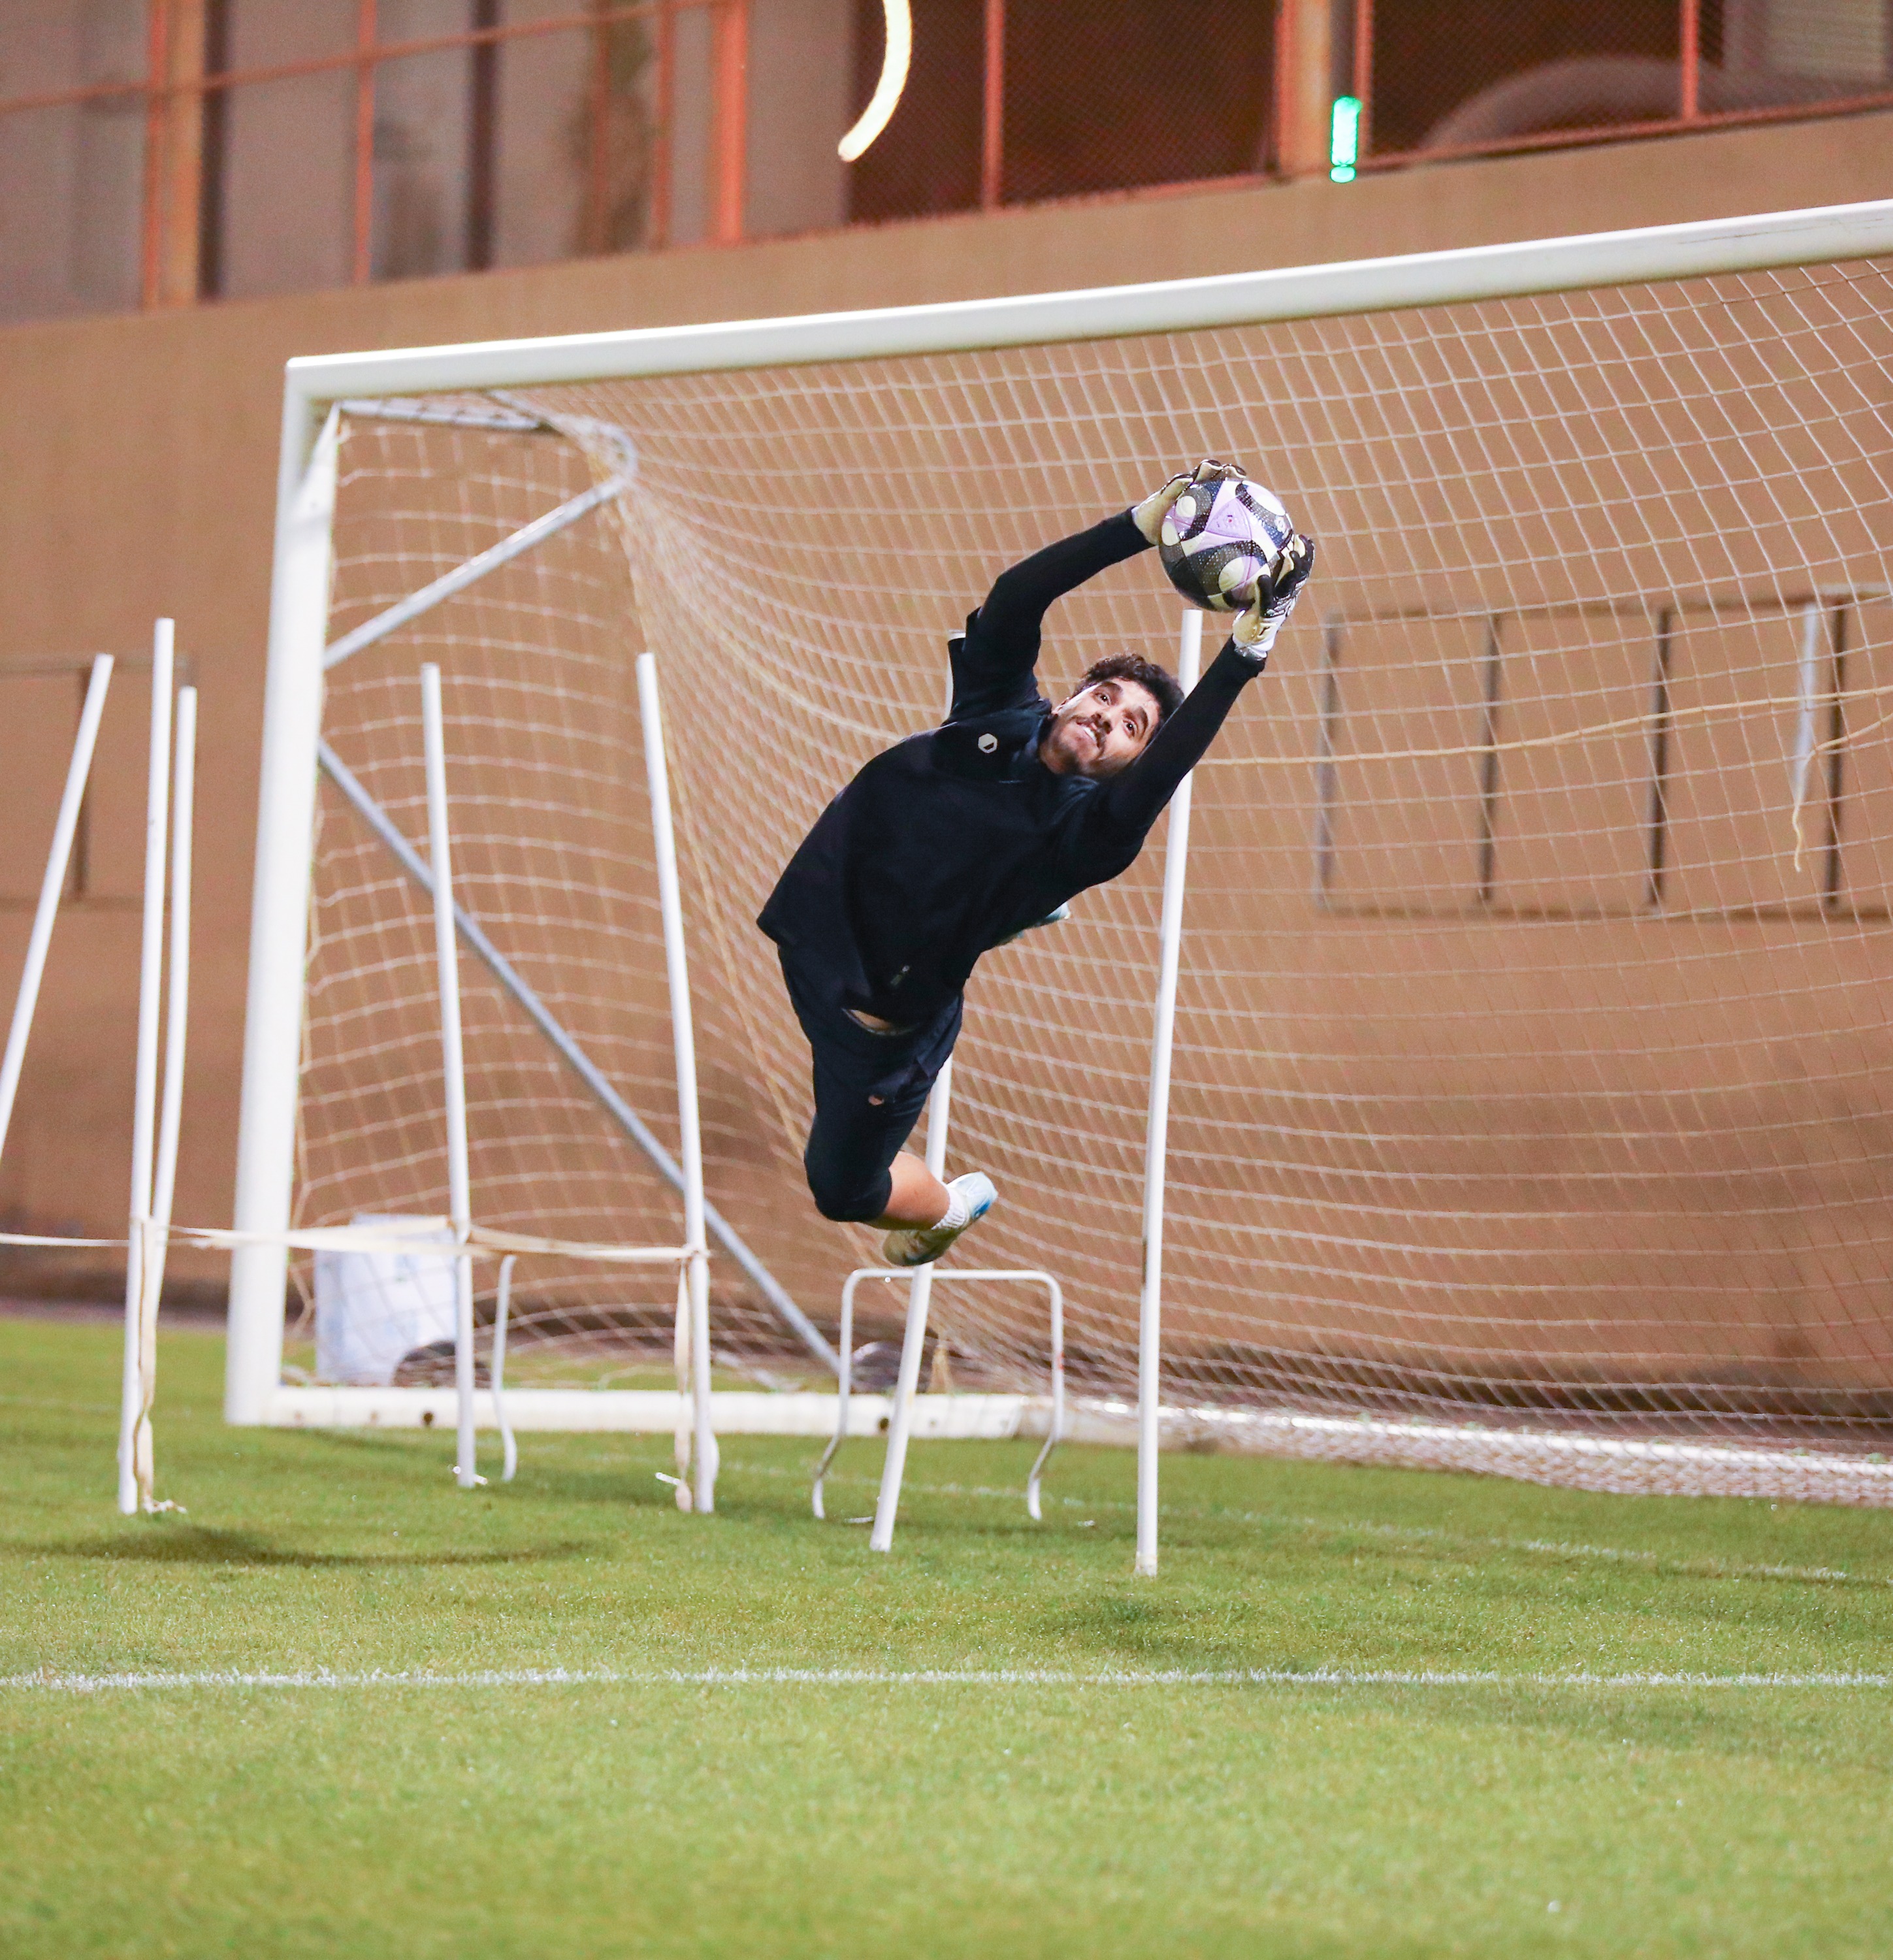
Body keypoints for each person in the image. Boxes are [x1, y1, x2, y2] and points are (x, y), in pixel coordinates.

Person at [758, 461, 1315, 1266]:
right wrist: (1137, 522)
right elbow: (1020, 595)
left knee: (840, 1191)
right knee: (989, 869)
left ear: (1126, 764)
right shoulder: (997, 710)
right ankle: (1017, 910)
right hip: (809, 934)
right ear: (1073, 694)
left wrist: (1248, 650)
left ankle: (948, 1206)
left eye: (1131, 727)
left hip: (877, 1026)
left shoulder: (1086, 838)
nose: (1109, 719)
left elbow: (1166, 773)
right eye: (1106, 697)